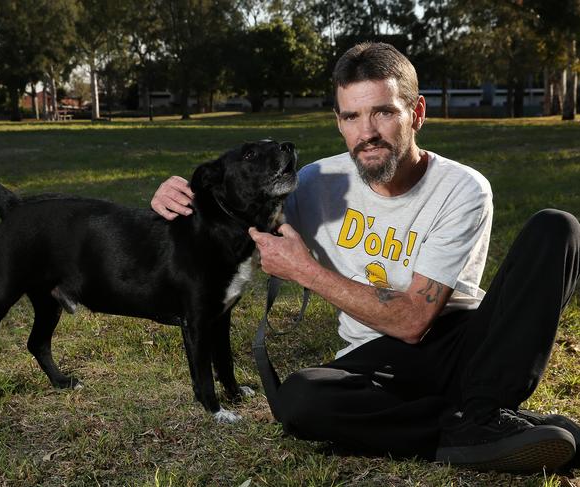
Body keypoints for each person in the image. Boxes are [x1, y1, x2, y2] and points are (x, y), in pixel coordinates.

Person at [151, 42, 580, 472]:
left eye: (384, 112)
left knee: (557, 228)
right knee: (298, 400)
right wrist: (181, 195)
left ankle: (483, 411)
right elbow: (233, 209)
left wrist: (307, 271)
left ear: (417, 113)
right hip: (376, 362)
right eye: (352, 116)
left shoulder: (463, 188)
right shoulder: (317, 183)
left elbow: (413, 321)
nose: (367, 132)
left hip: (465, 344)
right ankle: (471, 427)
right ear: (338, 122)